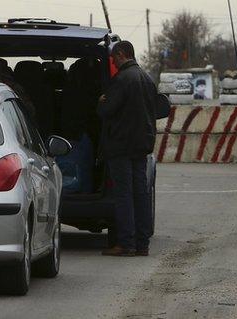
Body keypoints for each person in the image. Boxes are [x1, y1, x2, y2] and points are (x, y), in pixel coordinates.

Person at [97, 41, 157, 257]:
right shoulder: (146, 79)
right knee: (141, 194)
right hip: (141, 146)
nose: (112, 61)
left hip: (121, 146)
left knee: (124, 195)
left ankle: (126, 244)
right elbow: (158, 108)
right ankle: (142, 244)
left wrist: (101, 102)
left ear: (121, 54)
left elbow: (107, 110)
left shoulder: (121, 80)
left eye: (113, 58)